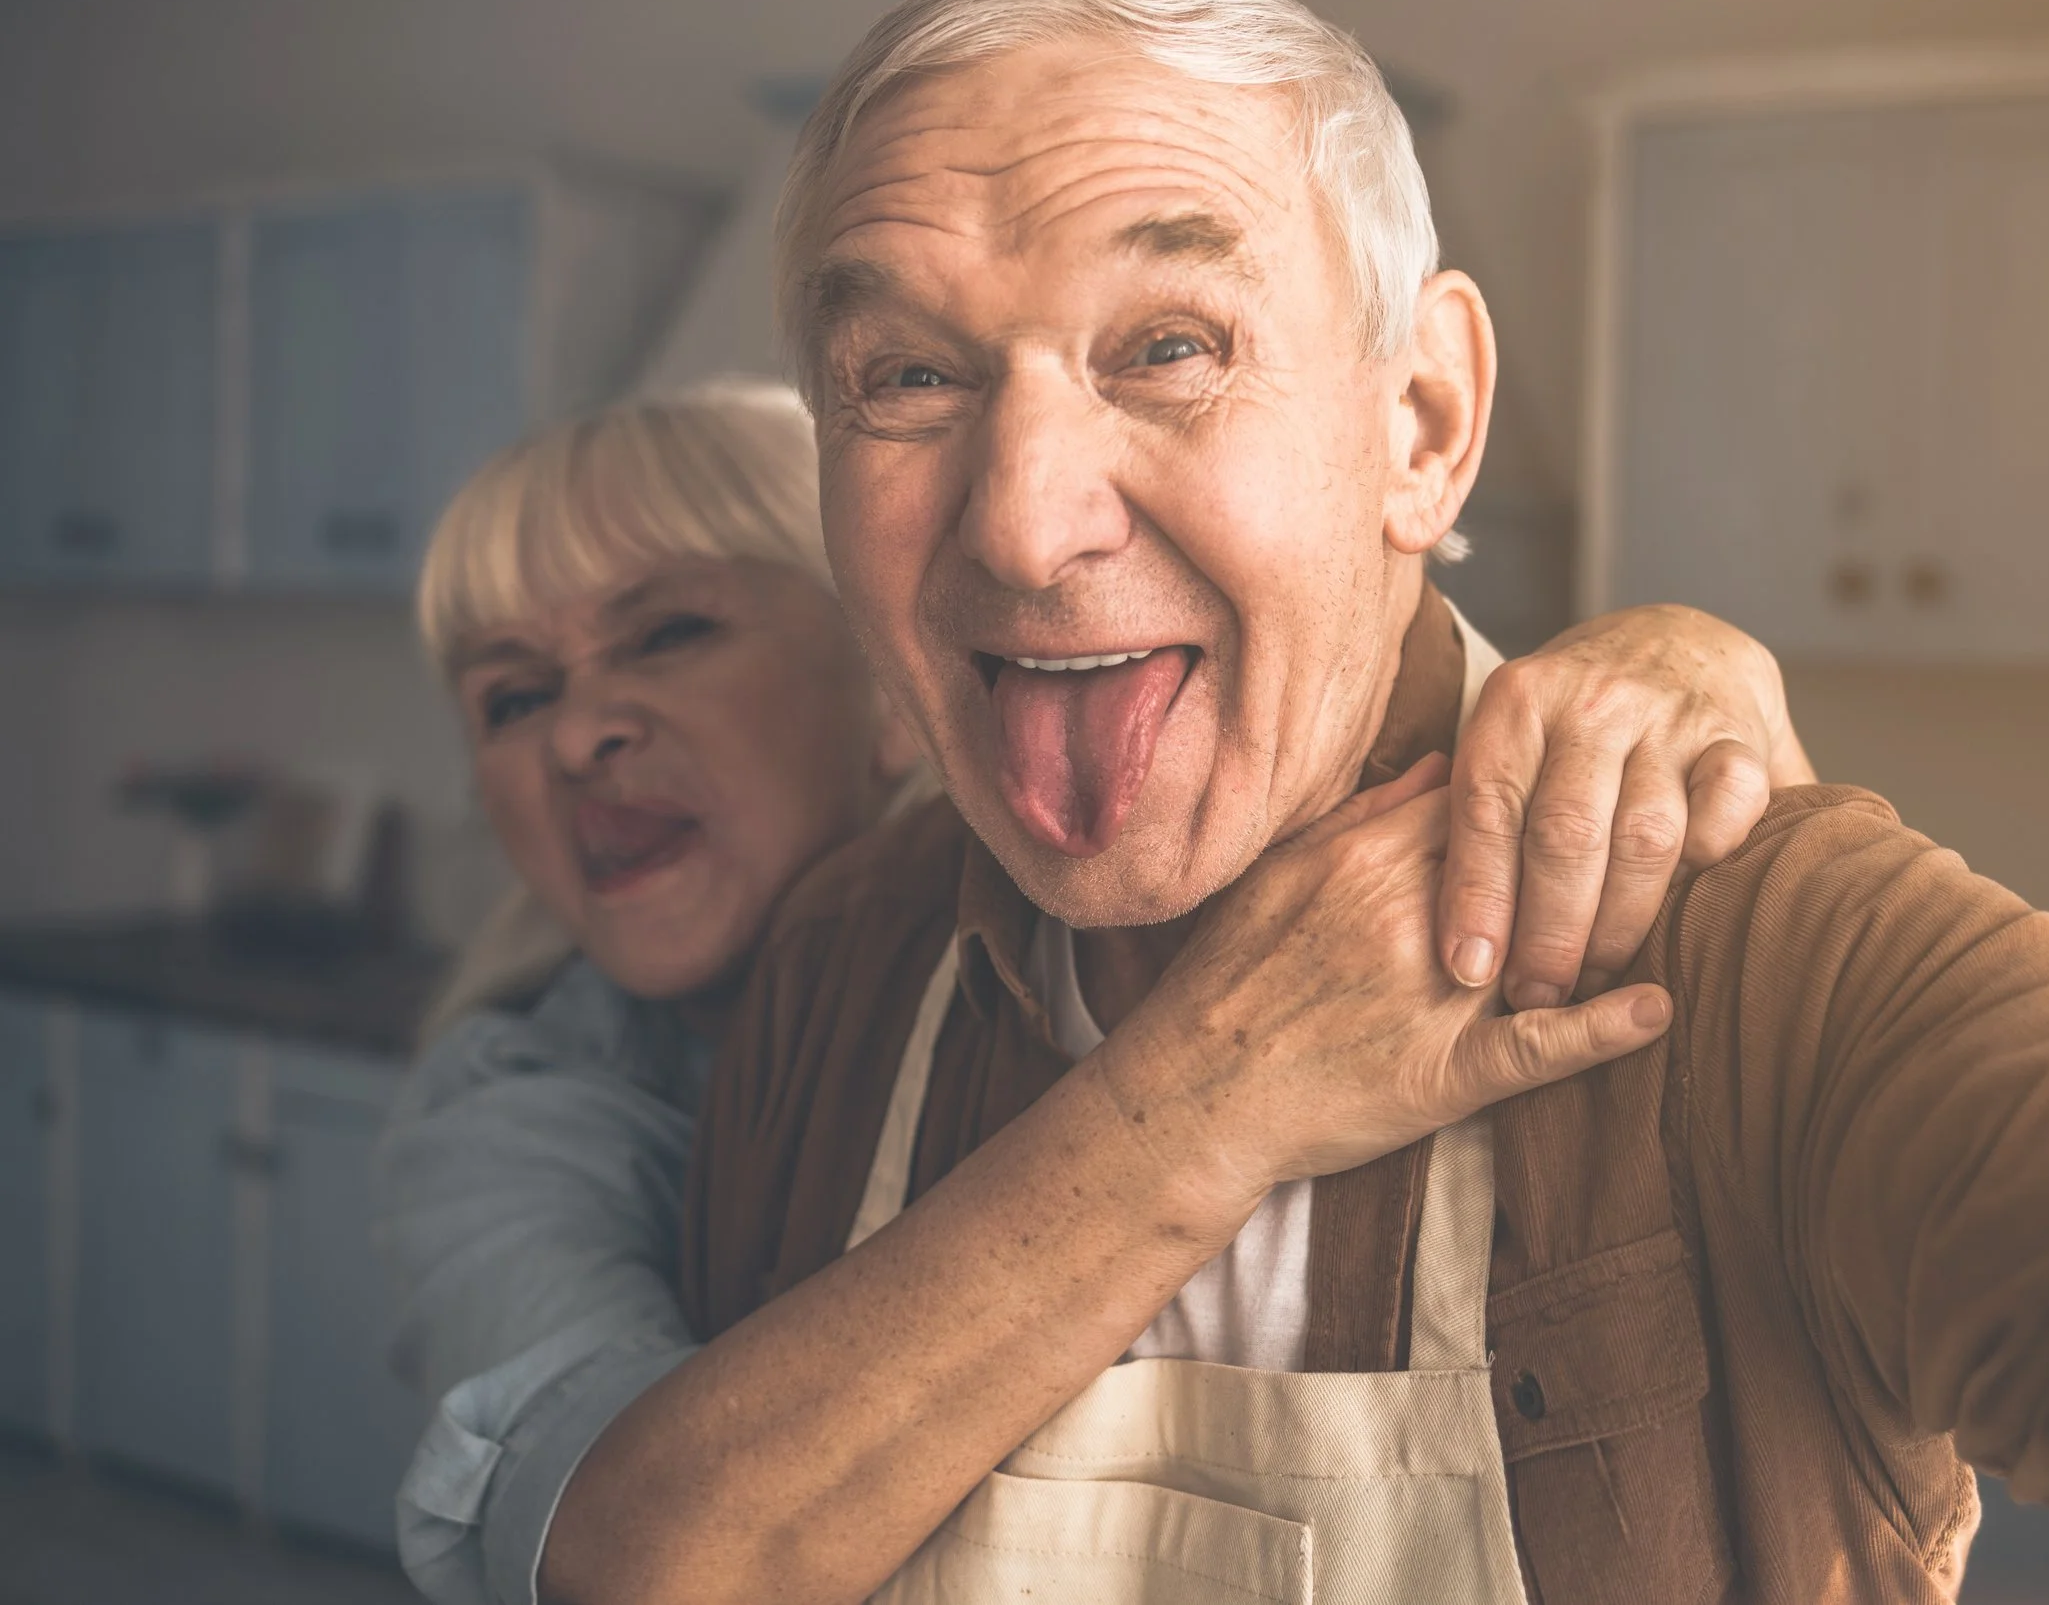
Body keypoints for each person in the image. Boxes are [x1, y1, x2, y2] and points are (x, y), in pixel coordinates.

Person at [548, 0, 2049, 1605]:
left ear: (1420, 423)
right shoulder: (841, 960)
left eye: (1165, 344)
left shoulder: (1747, 936)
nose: (1023, 521)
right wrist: (1205, 1092)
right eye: (903, 377)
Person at [379, 383, 1825, 1600]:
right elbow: (631, 1559)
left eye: (665, 634)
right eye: (512, 695)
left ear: (899, 674)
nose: (579, 732)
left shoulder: (1123, 929)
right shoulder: (510, 1117)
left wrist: (1683, 663)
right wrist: (1221, 1089)